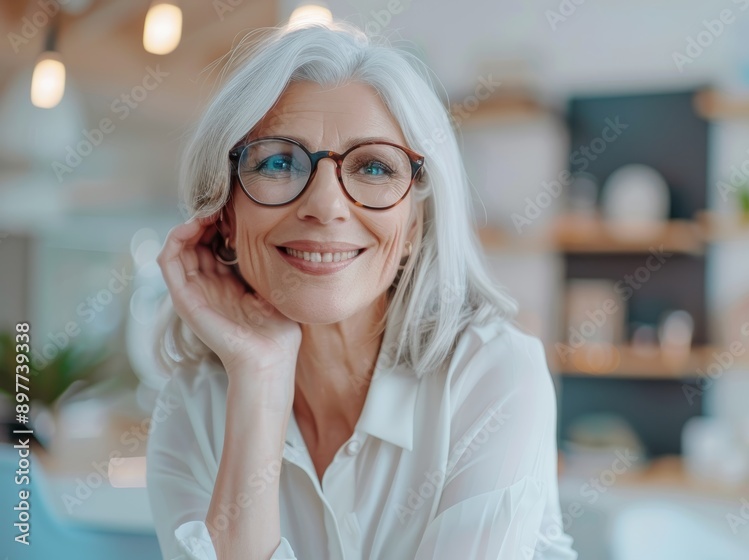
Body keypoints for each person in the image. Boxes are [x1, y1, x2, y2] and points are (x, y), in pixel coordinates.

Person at [146, 21, 577, 560]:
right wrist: (259, 377)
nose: (325, 206)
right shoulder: (191, 408)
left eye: (374, 166)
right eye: (279, 161)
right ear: (225, 214)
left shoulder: (493, 374)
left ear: (415, 225)